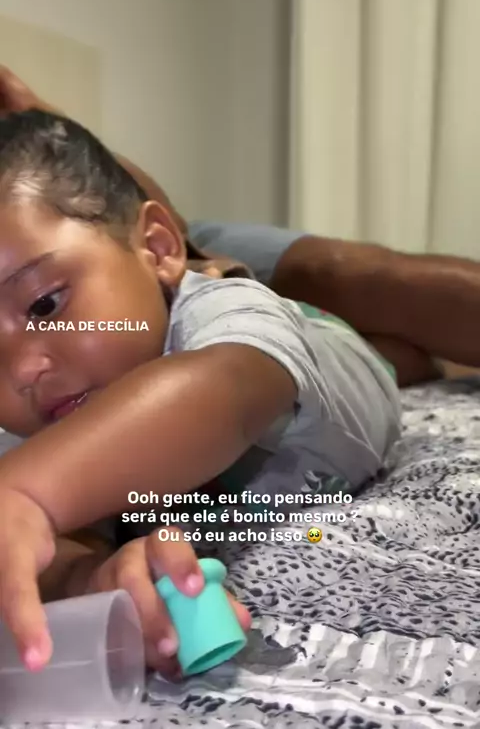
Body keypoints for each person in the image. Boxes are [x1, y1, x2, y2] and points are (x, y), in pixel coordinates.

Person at [0, 108, 401, 678]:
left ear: (158, 246)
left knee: (397, 353)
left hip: (329, 352)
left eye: (45, 305)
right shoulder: (28, 437)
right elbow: (40, 554)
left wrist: (28, 495)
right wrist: (88, 578)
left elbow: (224, 390)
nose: (22, 370)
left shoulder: (219, 326)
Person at [1, 66, 480, 387]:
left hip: (162, 244)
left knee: (351, 275)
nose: (22, 370)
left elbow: (160, 223)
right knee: (357, 359)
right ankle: (390, 360)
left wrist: (37, 116)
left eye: (46, 304)